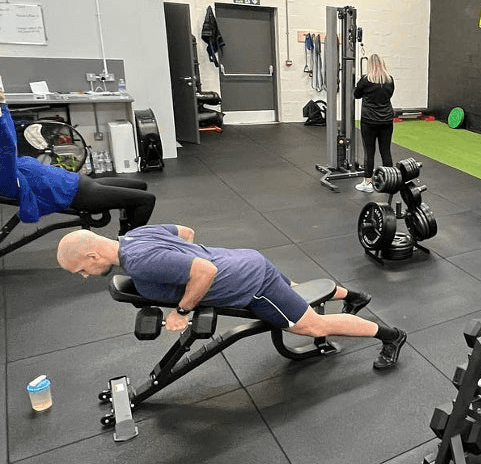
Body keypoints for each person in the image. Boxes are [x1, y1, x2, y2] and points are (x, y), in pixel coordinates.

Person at [56, 225, 407, 371]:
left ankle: (391, 336)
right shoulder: (133, 236)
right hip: (244, 259)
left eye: (81, 270)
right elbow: (186, 233)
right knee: (297, 290)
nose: (85, 276)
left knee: (311, 326)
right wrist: (190, 264)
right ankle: (356, 295)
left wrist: (182, 310)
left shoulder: (141, 260)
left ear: (90, 256)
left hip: (249, 283)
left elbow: (204, 272)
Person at [1, 90, 156, 235]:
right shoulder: (6, 176)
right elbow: (7, 146)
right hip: (80, 195)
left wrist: (3, 105)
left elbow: (11, 141)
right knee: (147, 200)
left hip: (81, 182)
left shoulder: (10, 165)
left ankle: (125, 230)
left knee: (141, 186)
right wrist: (1, 117)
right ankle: (126, 244)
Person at [353, 53, 395, 193]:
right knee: (386, 151)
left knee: (369, 152)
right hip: (386, 121)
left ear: (370, 64)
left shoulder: (365, 80)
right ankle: (390, 181)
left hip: (369, 121)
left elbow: (356, 95)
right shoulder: (390, 80)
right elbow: (389, 95)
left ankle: (367, 183)